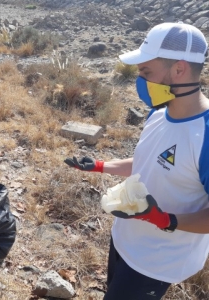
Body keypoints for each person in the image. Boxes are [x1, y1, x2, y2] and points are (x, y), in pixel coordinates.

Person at [65, 22, 209, 300]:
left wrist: (165, 219)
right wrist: (99, 165)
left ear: (179, 69)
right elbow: (149, 162)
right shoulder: (158, 114)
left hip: (157, 263)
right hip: (125, 241)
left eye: (146, 72)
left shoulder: (205, 134)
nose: (140, 82)